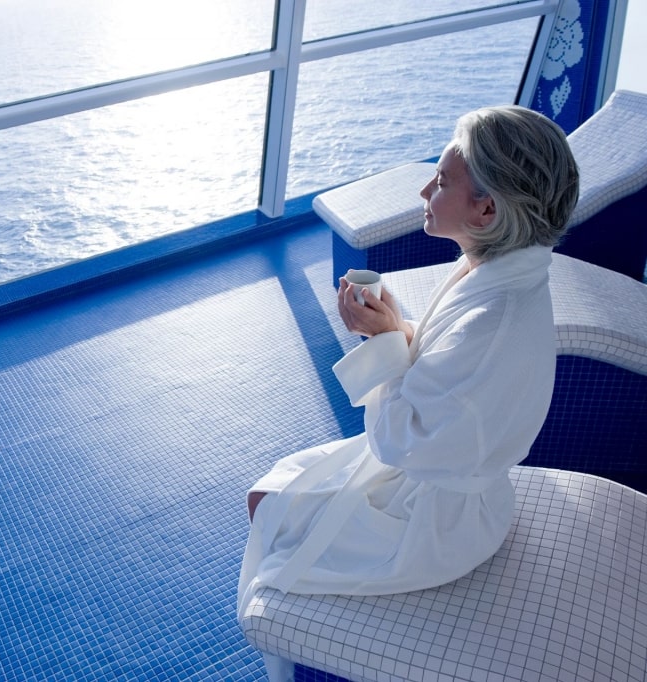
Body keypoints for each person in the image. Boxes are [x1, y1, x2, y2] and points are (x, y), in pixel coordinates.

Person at [238, 105, 580, 678]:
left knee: (269, 523)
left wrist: (380, 343)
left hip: (436, 522)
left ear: (487, 208)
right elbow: (446, 375)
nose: (425, 187)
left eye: (442, 181)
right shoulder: (498, 269)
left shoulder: (496, 317)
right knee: (270, 492)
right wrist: (398, 329)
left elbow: (400, 439)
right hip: (440, 476)